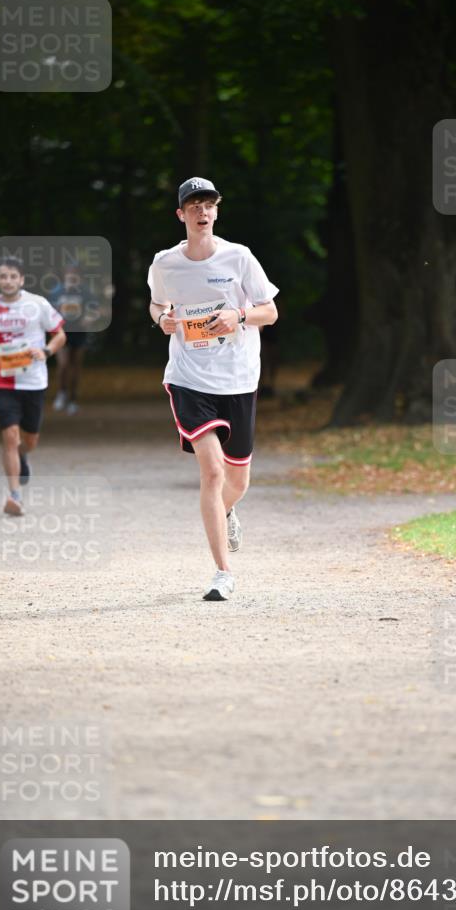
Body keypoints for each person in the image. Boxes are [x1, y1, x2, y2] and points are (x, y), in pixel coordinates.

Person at [148, 177, 279, 601]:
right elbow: (157, 302)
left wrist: (239, 316)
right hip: (189, 377)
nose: (203, 212)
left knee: (237, 481)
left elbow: (270, 312)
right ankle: (223, 573)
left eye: (209, 205)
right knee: (212, 470)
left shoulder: (239, 258)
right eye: (194, 206)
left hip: (238, 378)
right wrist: (162, 318)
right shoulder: (166, 263)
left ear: (217, 212)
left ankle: (226, 510)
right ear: (181, 215)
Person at [0, 256, 66, 516]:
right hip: (2, 382)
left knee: (29, 440)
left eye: (13, 276)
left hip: (33, 382)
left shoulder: (37, 305)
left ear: (22, 279)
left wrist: (46, 351)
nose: (8, 281)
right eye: (3, 276)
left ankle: (24, 456)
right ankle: (14, 495)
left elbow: (60, 334)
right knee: (10, 437)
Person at [50, 265, 97, 415]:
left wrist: (88, 319)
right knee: (63, 364)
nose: (72, 277)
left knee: (76, 365)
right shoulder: (57, 291)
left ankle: (73, 399)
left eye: (75, 274)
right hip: (62, 333)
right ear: (64, 275)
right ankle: (62, 392)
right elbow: (50, 311)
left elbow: (94, 310)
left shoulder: (85, 292)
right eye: (69, 274)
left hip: (79, 333)